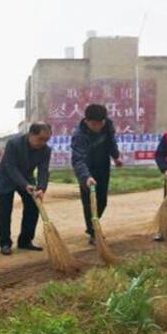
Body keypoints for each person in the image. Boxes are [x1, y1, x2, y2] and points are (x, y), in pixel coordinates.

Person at [0, 122, 52, 256]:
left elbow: (43, 170)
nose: (43, 143)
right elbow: (10, 167)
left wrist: (41, 188)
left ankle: (25, 240)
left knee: (33, 206)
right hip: (6, 178)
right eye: (40, 139)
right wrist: (25, 184)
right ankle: (5, 243)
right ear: (31, 134)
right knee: (6, 210)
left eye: (47, 140)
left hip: (27, 178)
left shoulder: (46, 150)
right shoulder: (14, 144)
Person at [71, 104, 122, 245]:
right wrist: (86, 177)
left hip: (103, 166)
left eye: (100, 123)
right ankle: (93, 232)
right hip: (86, 169)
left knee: (102, 201)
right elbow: (78, 160)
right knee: (89, 202)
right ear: (86, 121)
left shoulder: (107, 125)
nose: (98, 127)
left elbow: (111, 141)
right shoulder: (79, 135)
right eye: (94, 124)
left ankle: (92, 225)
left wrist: (116, 156)